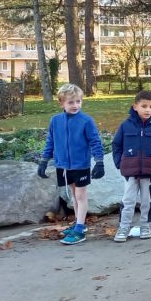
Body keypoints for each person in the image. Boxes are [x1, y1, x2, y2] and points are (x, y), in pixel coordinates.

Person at [36, 84, 105, 245]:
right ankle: (79, 224)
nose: (75, 105)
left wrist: (99, 162)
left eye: (78, 101)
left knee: (81, 195)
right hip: (63, 165)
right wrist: (44, 161)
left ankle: (79, 230)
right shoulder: (55, 121)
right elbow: (50, 142)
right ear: (62, 103)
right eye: (71, 102)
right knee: (74, 195)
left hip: (81, 164)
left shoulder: (86, 121)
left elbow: (95, 141)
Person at [111, 90, 151, 242]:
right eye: (144, 106)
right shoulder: (126, 125)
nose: (148, 110)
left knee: (147, 201)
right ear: (135, 106)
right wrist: (120, 163)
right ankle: (124, 227)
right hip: (131, 172)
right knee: (128, 201)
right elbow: (116, 145)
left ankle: (145, 225)